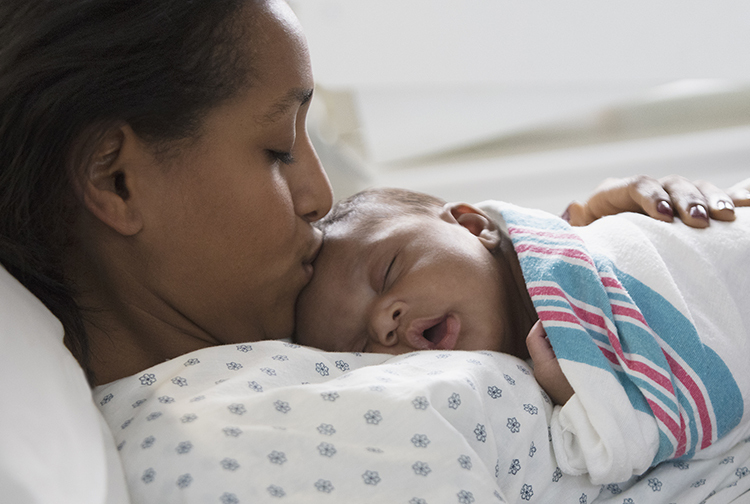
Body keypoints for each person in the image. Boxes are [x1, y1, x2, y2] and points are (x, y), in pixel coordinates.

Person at [293, 182, 750, 483]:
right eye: (360, 347)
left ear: (472, 226)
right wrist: (585, 397)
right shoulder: (523, 392)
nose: (381, 323)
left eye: (389, 270)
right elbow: (620, 445)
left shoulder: (568, 249)